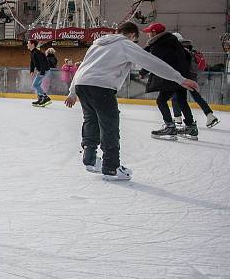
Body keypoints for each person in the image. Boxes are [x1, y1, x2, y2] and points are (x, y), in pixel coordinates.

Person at [65, 22, 198, 179]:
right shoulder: (125, 44)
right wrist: (180, 79)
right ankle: (111, 168)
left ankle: (90, 159)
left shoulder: (97, 45)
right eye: (135, 40)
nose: (134, 43)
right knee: (110, 126)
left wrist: (72, 91)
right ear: (132, 35)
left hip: (82, 84)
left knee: (91, 120)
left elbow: (82, 68)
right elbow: (152, 62)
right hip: (101, 87)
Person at [141, 23, 198, 140]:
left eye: (149, 32)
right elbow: (187, 56)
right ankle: (191, 126)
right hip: (183, 75)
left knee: (161, 101)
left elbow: (153, 61)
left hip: (172, 77)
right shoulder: (173, 41)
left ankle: (170, 127)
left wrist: (142, 72)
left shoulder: (161, 44)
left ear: (154, 33)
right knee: (182, 101)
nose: (148, 35)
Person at [170, 34, 220, 129]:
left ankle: (178, 119)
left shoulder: (179, 49)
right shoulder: (190, 48)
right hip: (193, 76)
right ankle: (209, 115)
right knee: (196, 97)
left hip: (183, 77)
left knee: (177, 96)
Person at [28, 40, 51, 106]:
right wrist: (31, 70)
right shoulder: (32, 52)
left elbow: (42, 62)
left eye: (28, 43)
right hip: (41, 70)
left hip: (44, 70)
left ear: (32, 44)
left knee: (35, 85)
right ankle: (40, 99)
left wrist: (42, 72)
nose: (27, 44)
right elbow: (32, 62)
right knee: (37, 85)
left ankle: (45, 97)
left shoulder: (37, 52)